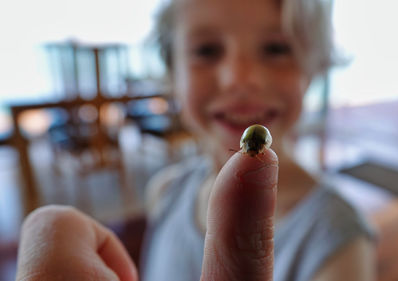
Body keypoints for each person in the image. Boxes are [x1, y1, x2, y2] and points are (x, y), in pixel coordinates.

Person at [15, 0, 375, 280]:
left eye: (276, 49)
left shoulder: (339, 241)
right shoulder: (166, 191)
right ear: (172, 74)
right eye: (206, 50)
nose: (240, 78)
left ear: (312, 69)